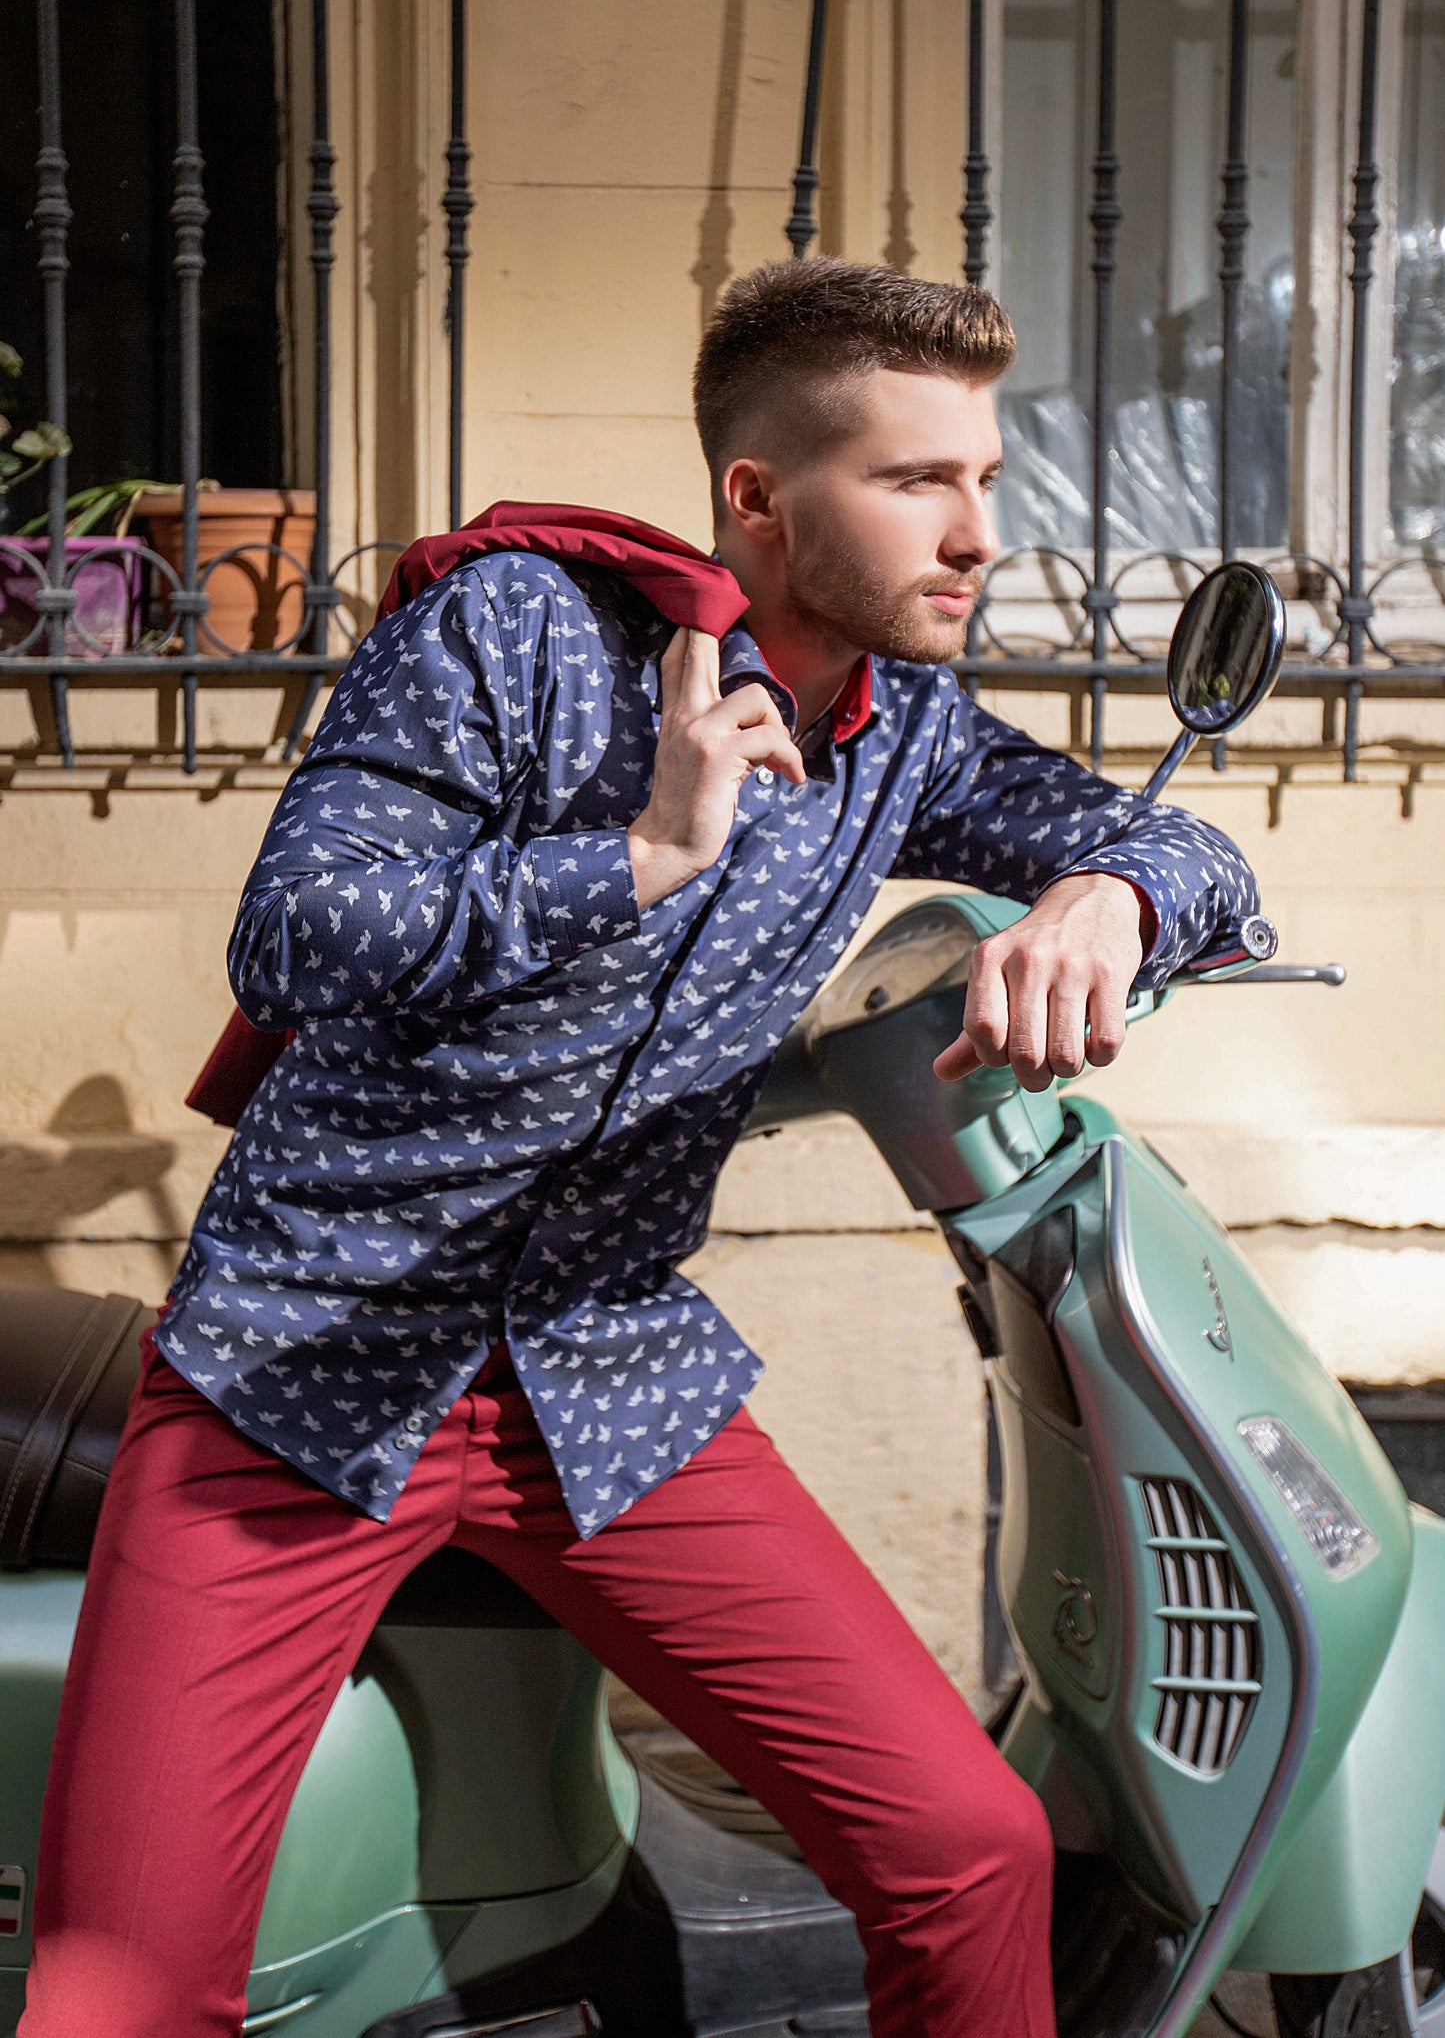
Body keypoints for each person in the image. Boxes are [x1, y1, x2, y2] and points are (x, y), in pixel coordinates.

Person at [20, 258, 1263, 2038]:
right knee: (118, 1994)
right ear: (755, 497)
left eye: (985, 478)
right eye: (917, 482)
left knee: (967, 1845)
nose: (976, 534)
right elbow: (295, 932)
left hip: (604, 1376)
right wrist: (638, 860)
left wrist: (1109, 894)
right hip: (301, 1372)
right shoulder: (516, 632)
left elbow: (1178, 853)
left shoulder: (898, 722)